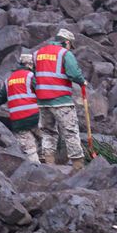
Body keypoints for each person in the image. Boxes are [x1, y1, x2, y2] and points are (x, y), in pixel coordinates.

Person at [33, 28, 86, 170]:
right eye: (70, 45)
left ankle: (49, 165)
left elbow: (33, 76)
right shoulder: (64, 53)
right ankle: (78, 166)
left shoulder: (38, 53)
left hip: (43, 102)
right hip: (61, 101)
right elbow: (73, 73)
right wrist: (82, 81)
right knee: (70, 132)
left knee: (48, 132)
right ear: (67, 42)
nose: (71, 49)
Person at [0, 53, 40, 163]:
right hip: (35, 117)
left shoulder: (8, 81)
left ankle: (35, 166)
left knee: (29, 149)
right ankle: (52, 165)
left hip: (18, 121)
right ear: (29, 65)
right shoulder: (31, 77)